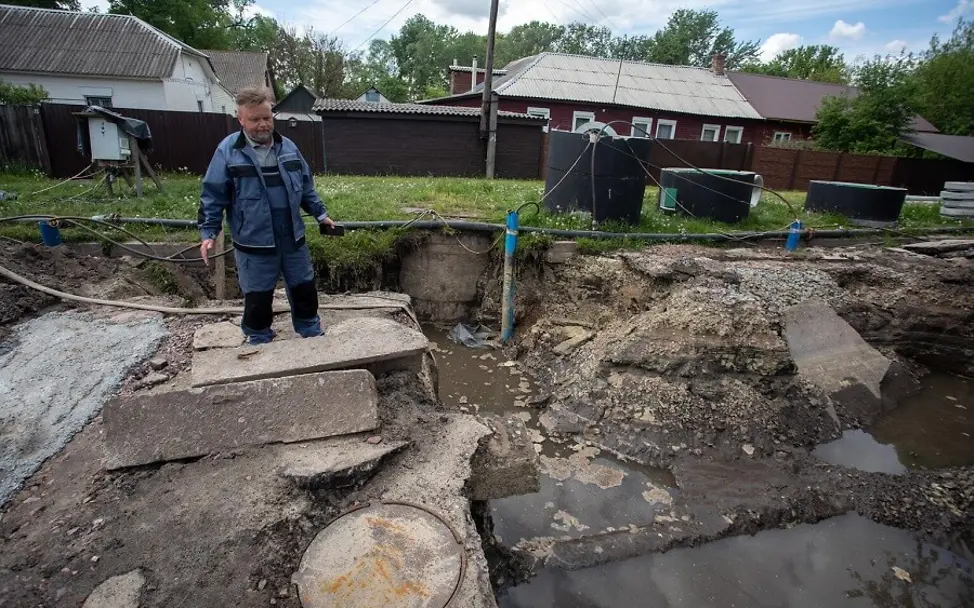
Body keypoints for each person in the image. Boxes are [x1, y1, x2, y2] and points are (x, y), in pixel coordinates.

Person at [197, 86, 336, 344]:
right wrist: (208, 232)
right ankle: (259, 338)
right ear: (240, 119)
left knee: (304, 287)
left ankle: (310, 331)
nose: (263, 124)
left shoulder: (289, 147)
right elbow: (213, 195)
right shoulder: (228, 152)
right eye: (255, 119)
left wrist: (321, 214)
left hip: (291, 236)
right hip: (254, 241)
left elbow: (306, 187)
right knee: (257, 295)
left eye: (267, 118)